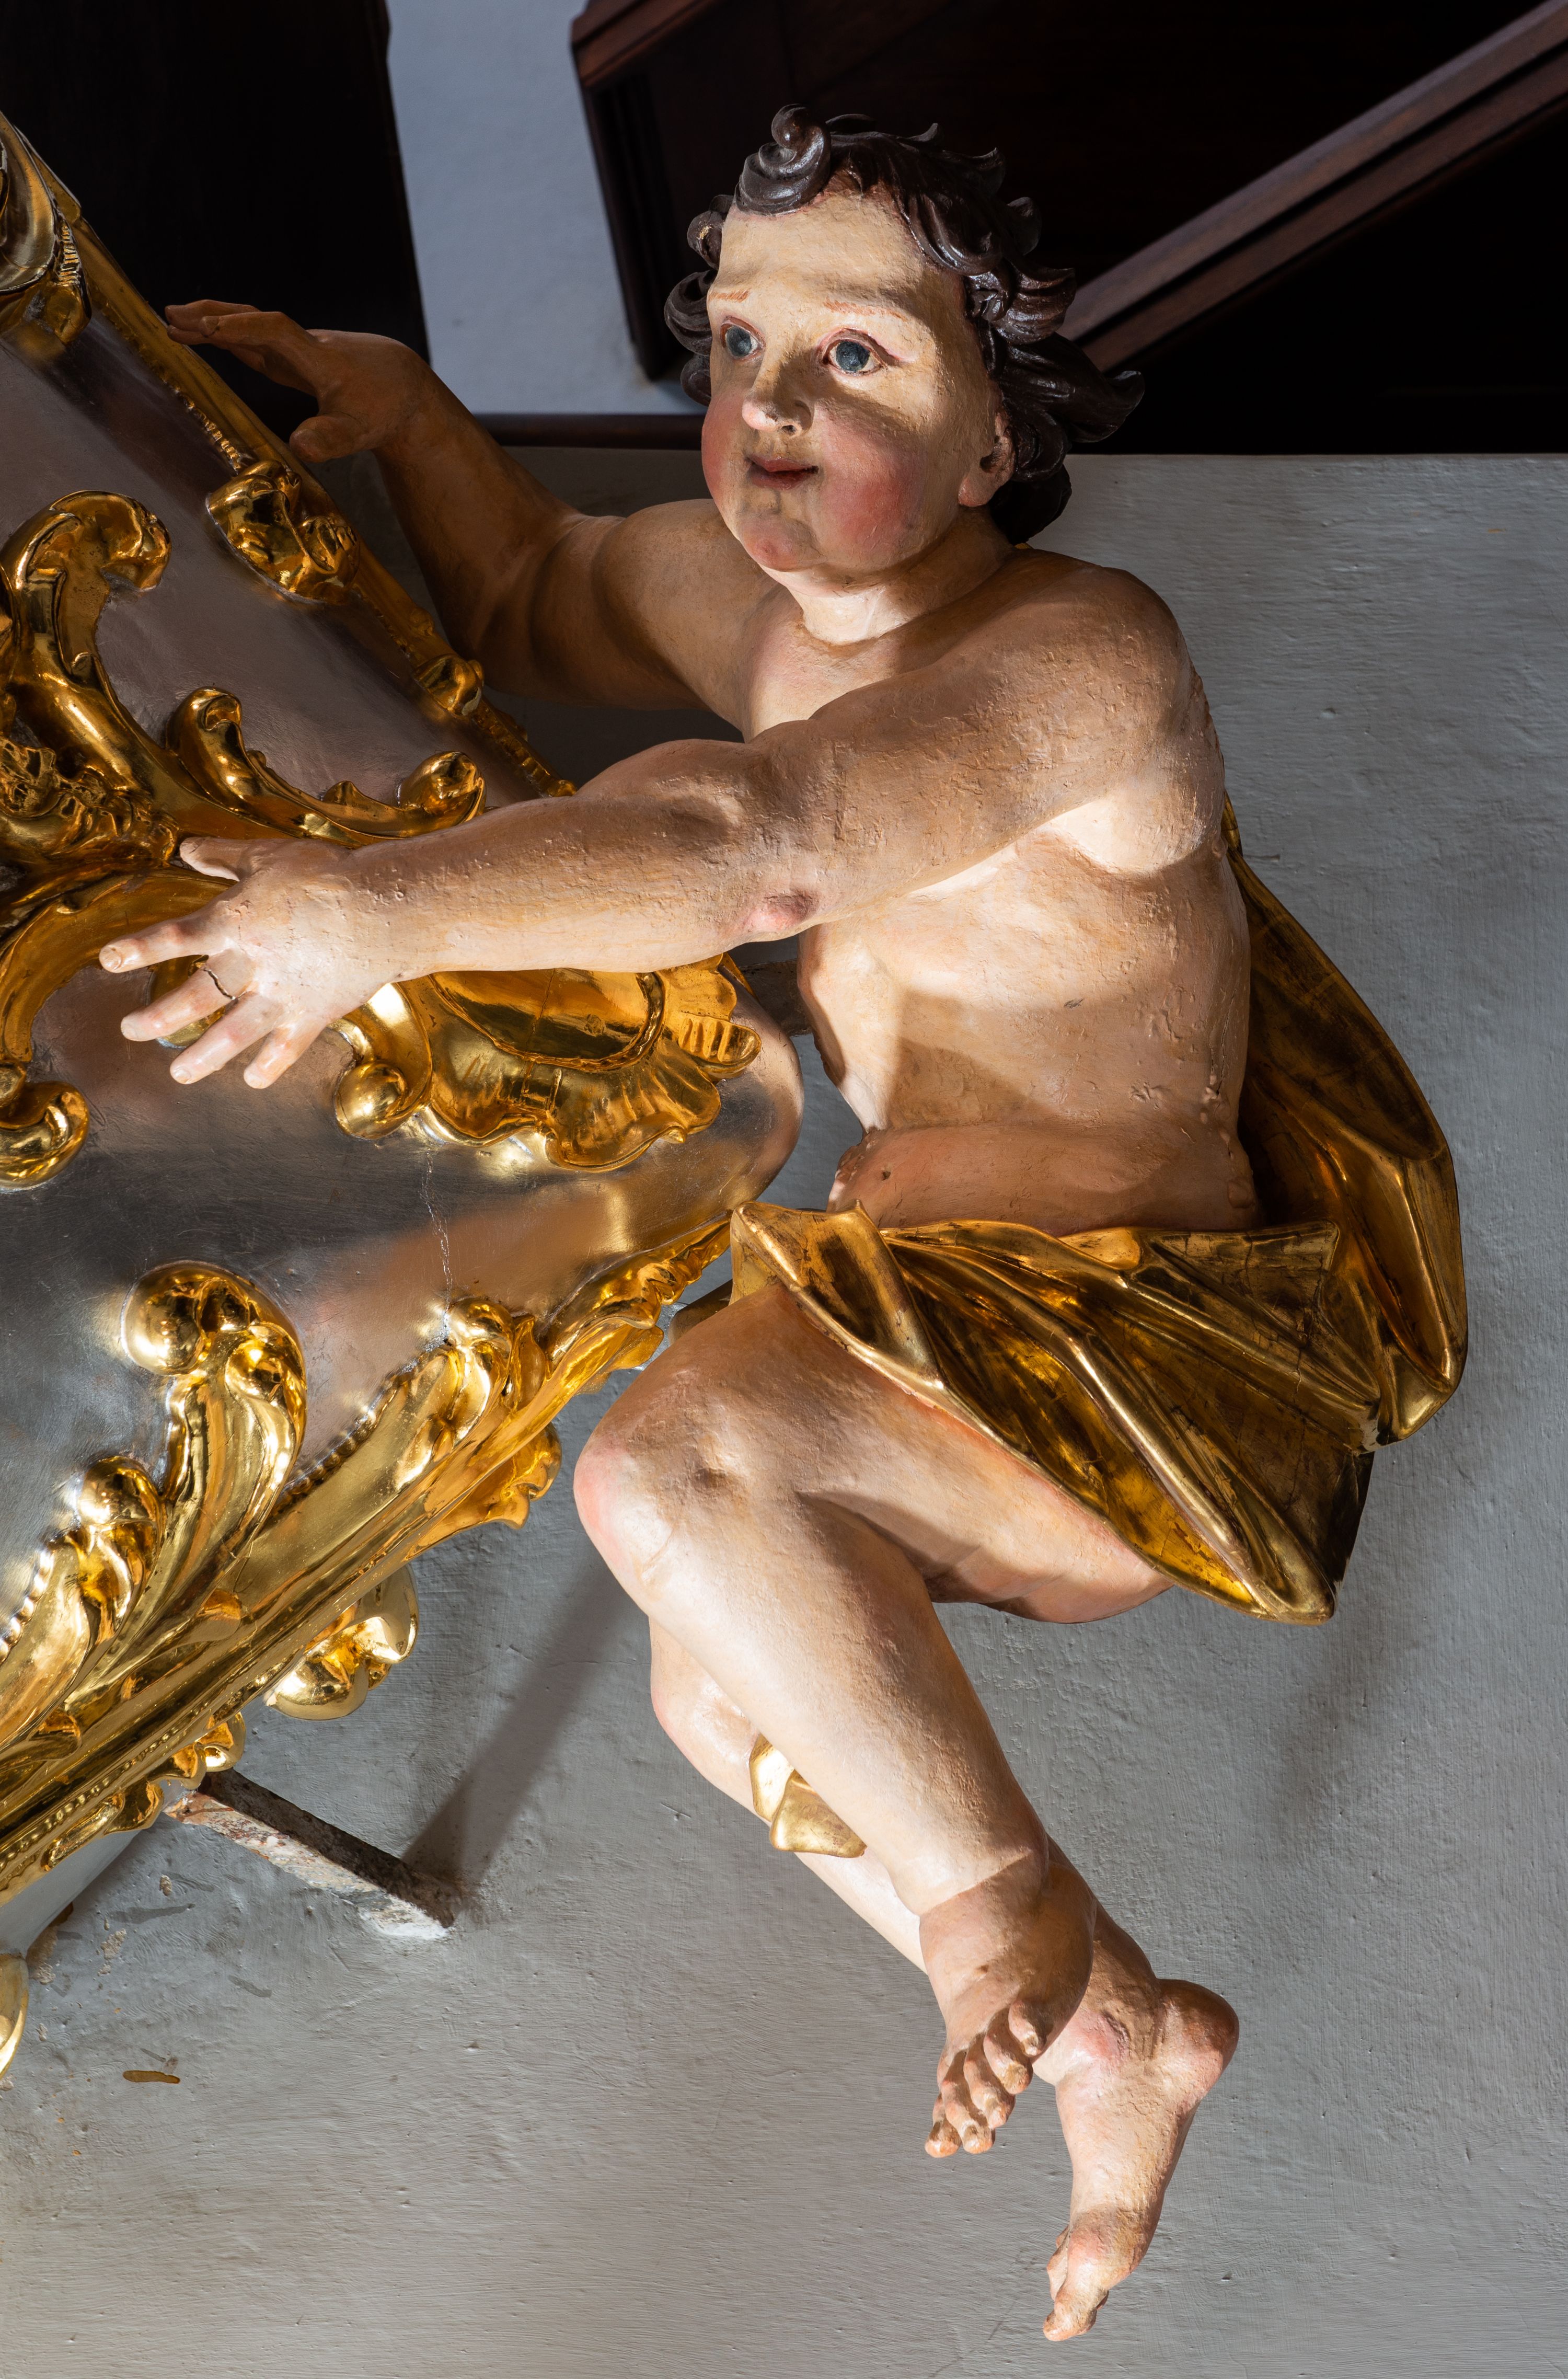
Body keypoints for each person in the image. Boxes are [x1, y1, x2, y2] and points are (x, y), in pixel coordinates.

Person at [98, 110, 1464, 2341]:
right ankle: (1125, 2038)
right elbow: (537, 587)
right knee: (720, 1688)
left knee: (666, 1473)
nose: (774, 403)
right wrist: (421, 425)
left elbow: (767, 846)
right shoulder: (750, 610)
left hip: (1114, 1347)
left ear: (996, 435)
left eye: (856, 355)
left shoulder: (1083, 666)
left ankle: (996, 1903)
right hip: (913, 1309)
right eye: (740, 344)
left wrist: (372, 919)